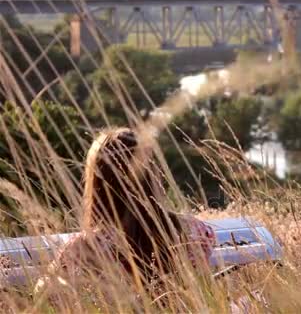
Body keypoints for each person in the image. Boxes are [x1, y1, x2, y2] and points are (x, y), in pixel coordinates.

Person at [35, 127, 215, 297]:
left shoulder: (85, 248)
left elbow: (42, 294)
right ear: (152, 176)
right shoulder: (194, 232)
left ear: (97, 185)